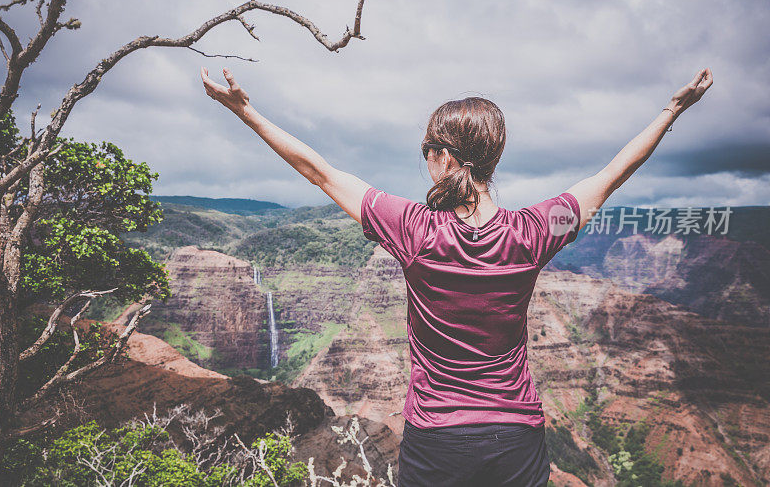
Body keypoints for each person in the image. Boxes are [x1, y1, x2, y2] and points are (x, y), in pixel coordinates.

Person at [200, 66, 713, 486]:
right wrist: (672, 110)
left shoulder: (414, 230)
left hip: (439, 439)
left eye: (427, 151)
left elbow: (319, 170)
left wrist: (246, 112)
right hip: (516, 436)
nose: (426, 161)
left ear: (444, 157)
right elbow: (611, 175)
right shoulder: (534, 232)